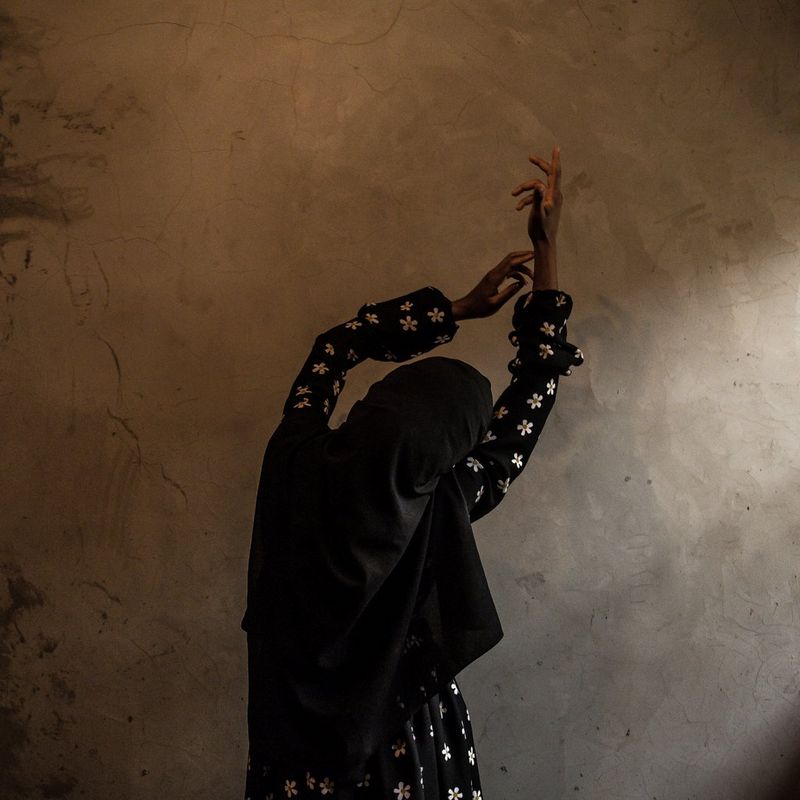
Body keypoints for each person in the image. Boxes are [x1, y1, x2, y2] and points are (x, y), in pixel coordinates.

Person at [241, 147, 583, 799]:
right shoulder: (437, 508)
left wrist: (455, 307)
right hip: (402, 754)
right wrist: (547, 253)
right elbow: (528, 406)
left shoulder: (294, 455)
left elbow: (333, 349)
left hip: (291, 763)